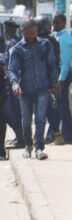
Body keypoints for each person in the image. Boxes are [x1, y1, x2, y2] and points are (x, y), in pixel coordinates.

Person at [8, 19, 59, 160]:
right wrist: (14, 84)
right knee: (26, 121)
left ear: (37, 31)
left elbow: (52, 64)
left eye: (34, 33)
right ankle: (28, 146)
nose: (31, 36)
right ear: (23, 32)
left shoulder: (45, 44)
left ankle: (39, 148)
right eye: (29, 33)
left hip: (42, 88)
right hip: (25, 91)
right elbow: (12, 69)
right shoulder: (17, 49)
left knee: (40, 119)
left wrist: (54, 82)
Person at [36, 16, 62, 144]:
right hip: (47, 80)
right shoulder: (52, 41)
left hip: (41, 81)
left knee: (45, 109)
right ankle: (53, 134)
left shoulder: (38, 42)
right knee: (48, 108)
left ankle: (52, 134)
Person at [3, 20, 24, 148]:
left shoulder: (12, 43)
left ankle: (20, 138)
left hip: (14, 81)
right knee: (15, 111)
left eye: (6, 29)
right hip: (14, 80)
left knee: (15, 111)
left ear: (9, 30)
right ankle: (19, 137)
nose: (5, 32)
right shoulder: (16, 41)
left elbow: (13, 63)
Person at [53, 14, 72, 143]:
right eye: (54, 23)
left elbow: (65, 61)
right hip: (61, 73)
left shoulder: (64, 39)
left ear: (64, 23)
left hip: (64, 73)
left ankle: (67, 135)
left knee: (63, 105)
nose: (54, 25)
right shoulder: (57, 37)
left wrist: (61, 79)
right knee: (60, 104)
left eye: (57, 23)